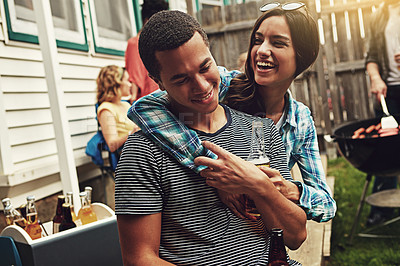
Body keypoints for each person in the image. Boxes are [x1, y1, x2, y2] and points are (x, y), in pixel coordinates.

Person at [115, 10, 307, 265]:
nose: (202, 86)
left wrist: (256, 184)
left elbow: (295, 236)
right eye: (181, 79)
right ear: (157, 81)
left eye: (205, 67)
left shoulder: (261, 131)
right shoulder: (142, 152)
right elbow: (139, 259)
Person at [127, 3, 336, 223]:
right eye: (258, 40)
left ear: (304, 55)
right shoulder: (224, 85)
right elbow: (144, 107)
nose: (262, 50)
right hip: (206, 218)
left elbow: (326, 205)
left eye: (278, 43)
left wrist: (288, 189)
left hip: (261, 228)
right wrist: (213, 169)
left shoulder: (300, 120)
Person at [365, 0, 400, 226]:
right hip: (391, 93)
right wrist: (376, 78)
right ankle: (382, 209)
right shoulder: (380, 14)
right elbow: (371, 57)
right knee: (388, 148)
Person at [124, 0, 169, 103]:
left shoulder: (161, 43)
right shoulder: (135, 44)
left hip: (165, 102)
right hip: (147, 105)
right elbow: (134, 80)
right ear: (147, 20)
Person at [96, 65, 139, 153]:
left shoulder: (125, 105)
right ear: (117, 83)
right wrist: (131, 133)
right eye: (127, 80)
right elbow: (112, 145)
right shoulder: (106, 109)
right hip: (130, 153)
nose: (130, 84)